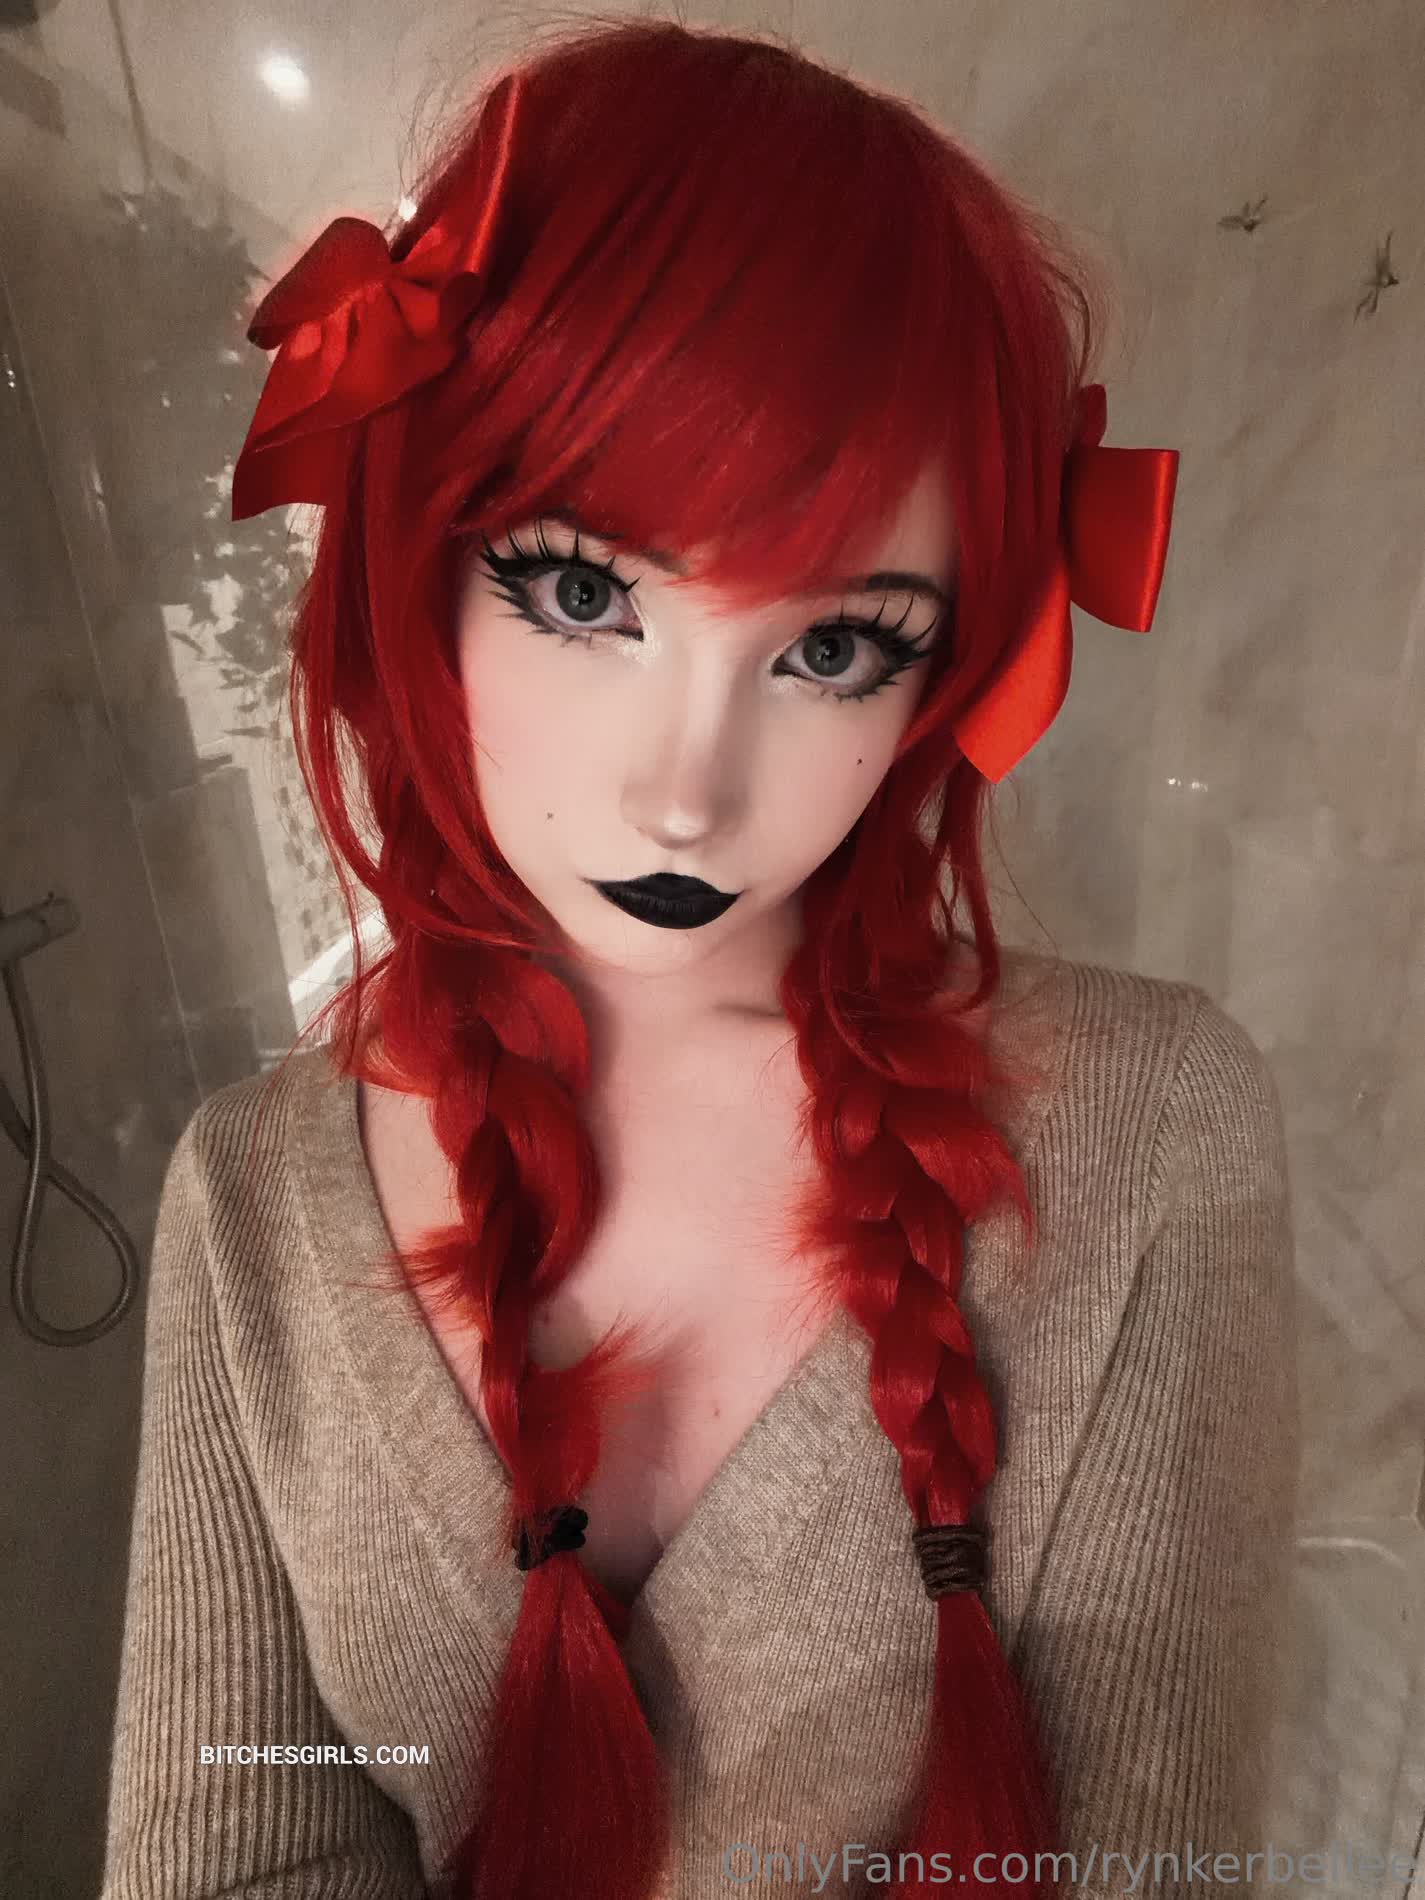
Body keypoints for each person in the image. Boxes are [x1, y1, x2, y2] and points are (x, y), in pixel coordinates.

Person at [98, 16, 1298, 1900]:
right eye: (582, 593)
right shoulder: (249, 1197)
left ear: (945, 670)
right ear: (416, 562)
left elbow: (1151, 1853)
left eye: (832, 648)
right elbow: (247, 1824)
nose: (685, 794)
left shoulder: (1152, 1131)